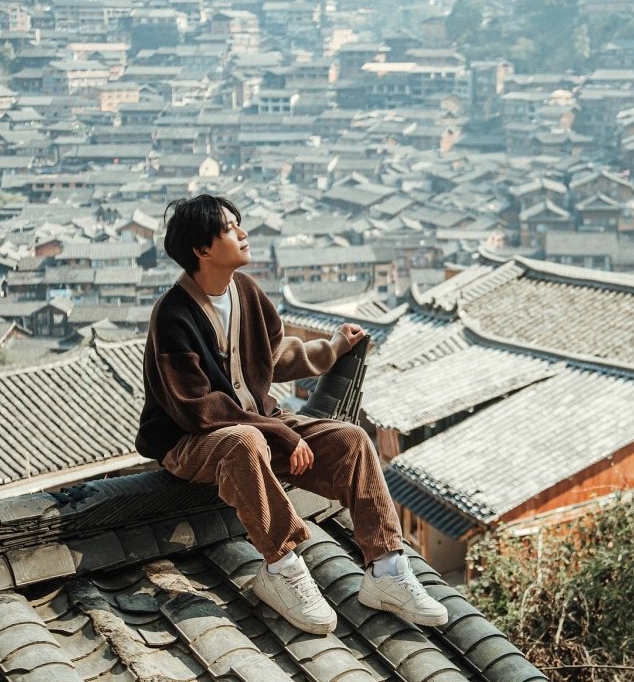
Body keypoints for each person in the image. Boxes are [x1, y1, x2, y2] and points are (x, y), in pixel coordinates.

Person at [136, 193, 447, 635]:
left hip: (258, 427)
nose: (243, 234)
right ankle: (281, 567)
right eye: (229, 228)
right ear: (201, 249)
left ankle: (386, 569)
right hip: (192, 441)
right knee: (246, 441)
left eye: (238, 224)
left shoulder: (245, 291)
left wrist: (333, 348)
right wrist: (281, 433)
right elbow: (198, 409)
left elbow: (272, 355)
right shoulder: (172, 315)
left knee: (352, 441)